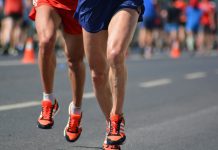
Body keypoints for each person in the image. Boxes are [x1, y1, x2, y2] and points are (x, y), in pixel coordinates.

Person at [74, 0, 144, 149]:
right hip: (92, 4)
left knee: (115, 54)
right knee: (97, 75)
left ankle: (116, 119)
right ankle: (109, 124)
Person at [29, 0, 85, 142]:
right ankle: (48, 100)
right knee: (45, 41)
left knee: (74, 60)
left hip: (77, 4)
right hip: (49, 1)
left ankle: (76, 112)